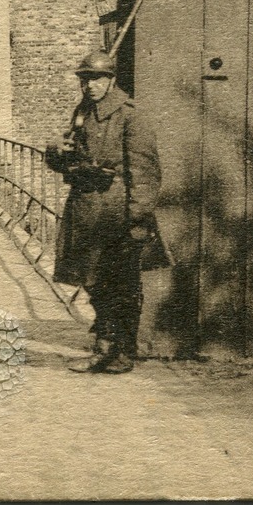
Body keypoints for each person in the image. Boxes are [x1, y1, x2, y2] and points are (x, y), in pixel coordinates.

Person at [44, 49, 161, 374]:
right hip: (84, 210)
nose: (89, 85)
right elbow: (64, 163)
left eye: (96, 78)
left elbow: (145, 172)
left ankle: (118, 351)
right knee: (93, 281)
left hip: (115, 213)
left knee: (119, 284)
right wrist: (57, 150)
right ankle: (108, 347)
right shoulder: (82, 112)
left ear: (111, 80)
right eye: (85, 79)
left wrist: (138, 218)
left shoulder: (130, 115)